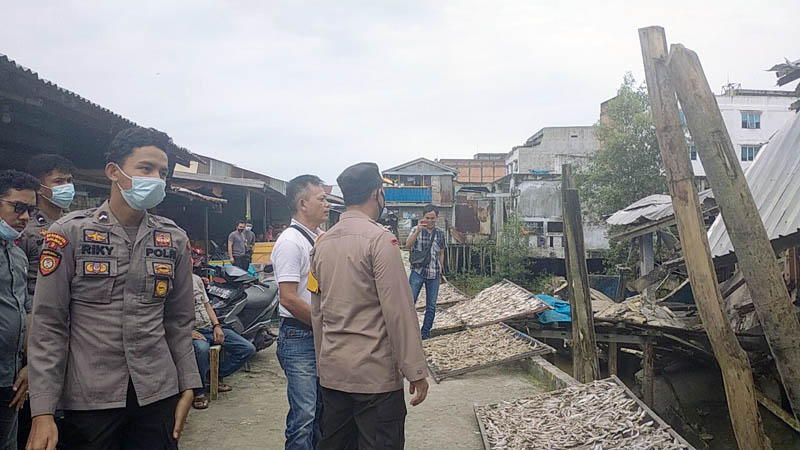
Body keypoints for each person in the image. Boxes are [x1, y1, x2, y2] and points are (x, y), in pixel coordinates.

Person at [26, 127, 201, 450]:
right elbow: (48, 324)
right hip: (90, 400)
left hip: (157, 394)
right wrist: (42, 411)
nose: (156, 179)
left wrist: (189, 384)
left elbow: (179, 321)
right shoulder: (69, 233)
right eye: (146, 168)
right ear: (113, 172)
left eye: (162, 172)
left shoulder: (173, 239)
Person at [311, 162, 429, 450]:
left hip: (334, 374)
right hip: (374, 379)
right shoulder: (380, 241)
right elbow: (399, 311)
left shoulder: (321, 245)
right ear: (378, 193)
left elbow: (317, 312)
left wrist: (323, 363)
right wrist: (416, 371)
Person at [16, 154, 76, 450]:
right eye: (59, 182)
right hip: (36, 328)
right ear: (41, 187)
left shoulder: (72, 224)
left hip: (69, 329)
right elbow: (20, 291)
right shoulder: (26, 229)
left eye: (69, 181)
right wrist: (29, 356)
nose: (67, 187)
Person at [271, 175, 329, 450]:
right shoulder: (290, 242)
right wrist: (325, 324)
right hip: (299, 336)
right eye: (322, 199)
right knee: (304, 414)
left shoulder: (319, 238)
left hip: (317, 334)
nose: (327, 204)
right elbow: (289, 298)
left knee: (321, 410)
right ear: (303, 204)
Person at [0, 170, 39, 450]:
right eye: (18, 208)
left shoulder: (17, 255)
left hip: (11, 378)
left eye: (30, 210)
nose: (25, 217)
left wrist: (28, 366)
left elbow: (26, 311)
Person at [190, 272, 255, 410]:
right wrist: (186, 332)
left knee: (247, 349)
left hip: (209, 328)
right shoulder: (172, 282)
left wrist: (217, 326)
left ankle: (214, 377)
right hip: (193, 332)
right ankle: (199, 391)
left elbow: (207, 306)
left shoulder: (196, 280)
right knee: (202, 350)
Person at [405, 204, 446, 339]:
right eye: (428, 218)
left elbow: (441, 252)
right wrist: (418, 230)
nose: (430, 221)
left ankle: (425, 333)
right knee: (410, 303)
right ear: (423, 217)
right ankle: (409, 332)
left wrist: (441, 270)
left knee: (431, 306)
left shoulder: (440, 233)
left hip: (434, 273)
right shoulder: (416, 229)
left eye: (433, 218)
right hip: (418, 271)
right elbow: (407, 245)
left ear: (436, 218)